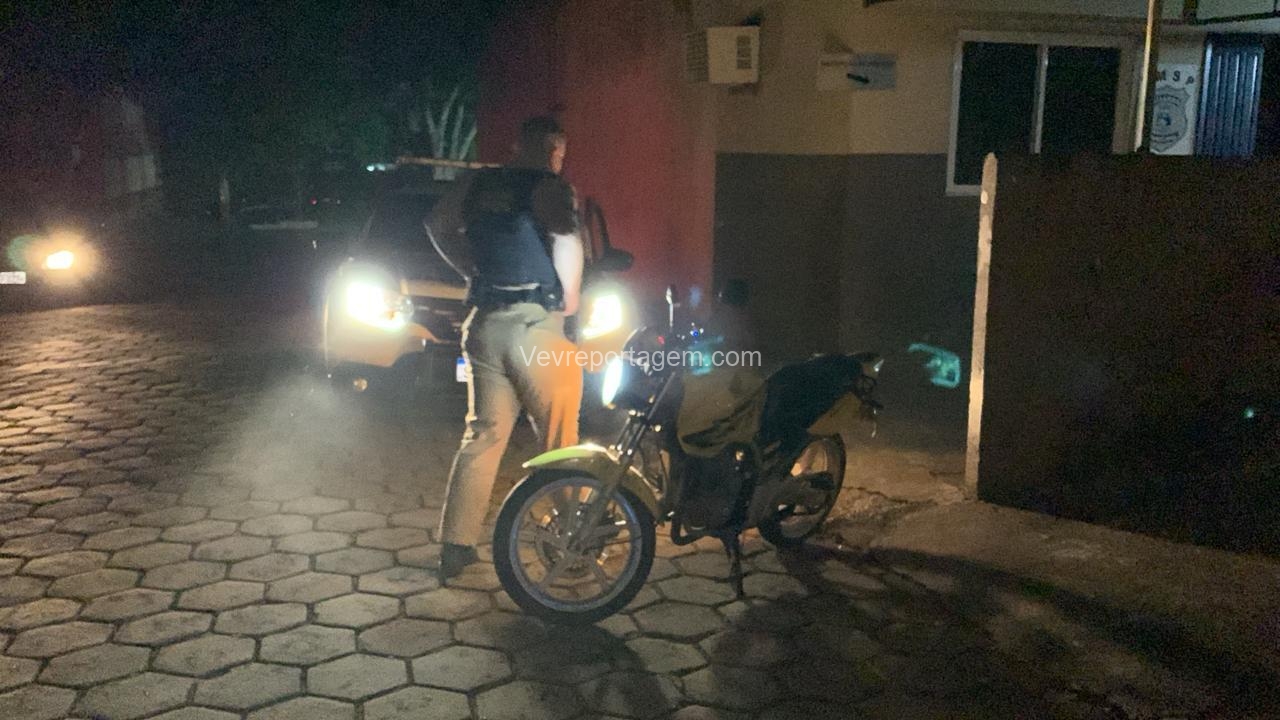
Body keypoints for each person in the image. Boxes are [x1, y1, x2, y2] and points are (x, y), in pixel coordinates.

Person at [428, 116, 585, 581]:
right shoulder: (552, 188)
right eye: (558, 153)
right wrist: (571, 300)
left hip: (484, 323)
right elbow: (567, 240)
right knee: (558, 436)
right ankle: (572, 544)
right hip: (535, 325)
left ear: (517, 145)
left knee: (483, 434)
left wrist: (468, 269)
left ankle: (456, 546)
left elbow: (436, 224)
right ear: (555, 151)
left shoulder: (479, 183)